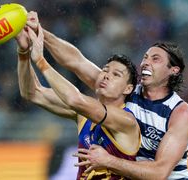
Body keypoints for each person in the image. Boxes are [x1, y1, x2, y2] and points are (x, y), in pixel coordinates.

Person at [38, 13, 188, 180]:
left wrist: (109, 161)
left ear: (174, 70)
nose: (146, 63)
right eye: (145, 57)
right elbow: (76, 61)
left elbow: (159, 173)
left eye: (155, 59)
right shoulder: (126, 91)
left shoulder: (181, 113)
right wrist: (40, 33)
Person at [15, 12, 141, 179]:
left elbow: (75, 99)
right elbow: (32, 93)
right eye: (105, 70)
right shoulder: (83, 115)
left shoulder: (127, 121)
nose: (106, 75)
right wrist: (24, 52)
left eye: (116, 74)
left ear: (128, 89)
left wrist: (40, 61)